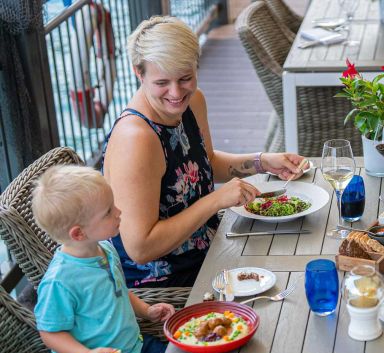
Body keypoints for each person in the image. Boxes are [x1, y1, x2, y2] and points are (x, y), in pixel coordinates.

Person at [102, 16, 308, 288]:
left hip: (209, 246)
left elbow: (206, 162)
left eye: (185, 78)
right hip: (165, 283)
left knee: (299, 247)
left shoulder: (193, 101)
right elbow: (140, 249)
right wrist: (214, 201)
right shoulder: (136, 139)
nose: (176, 93)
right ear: (138, 73)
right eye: (162, 82)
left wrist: (262, 162)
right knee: (290, 278)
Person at [32, 165, 176, 353]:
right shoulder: (61, 281)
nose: (119, 212)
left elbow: (118, 290)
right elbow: (50, 332)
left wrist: (146, 310)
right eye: (109, 212)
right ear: (78, 233)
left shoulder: (105, 248)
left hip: (132, 347)